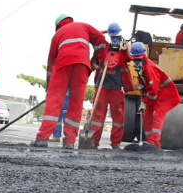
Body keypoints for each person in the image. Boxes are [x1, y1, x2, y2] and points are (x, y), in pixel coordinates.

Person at [31, 14, 108, 149]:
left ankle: (42, 138)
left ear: (58, 26)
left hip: (62, 65)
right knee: (76, 103)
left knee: (54, 101)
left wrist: (50, 85)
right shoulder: (84, 26)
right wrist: (97, 59)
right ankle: (69, 141)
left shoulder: (57, 35)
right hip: (82, 66)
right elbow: (102, 41)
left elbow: (51, 62)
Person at [88, 23, 134, 149]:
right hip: (101, 87)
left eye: (117, 37)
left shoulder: (123, 51)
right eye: (112, 37)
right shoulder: (104, 47)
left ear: (120, 37)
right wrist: (106, 30)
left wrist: (128, 41)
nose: (115, 39)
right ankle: (94, 142)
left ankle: (116, 143)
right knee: (97, 116)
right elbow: (92, 34)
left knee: (118, 117)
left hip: (116, 88)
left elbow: (130, 56)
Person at [130, 42, 181, 149]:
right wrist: (142, 87)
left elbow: (153, 93)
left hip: (165, 93)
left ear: (144, 56)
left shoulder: (150, 68)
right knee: (147, 116)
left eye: (138, 59)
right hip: (156, 93)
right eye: (135, 59)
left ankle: (154, 143)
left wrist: (144, 102)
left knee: (157, 116)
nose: (136, 62)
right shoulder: (141, 69)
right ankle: (150, 142)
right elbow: (147, 85)